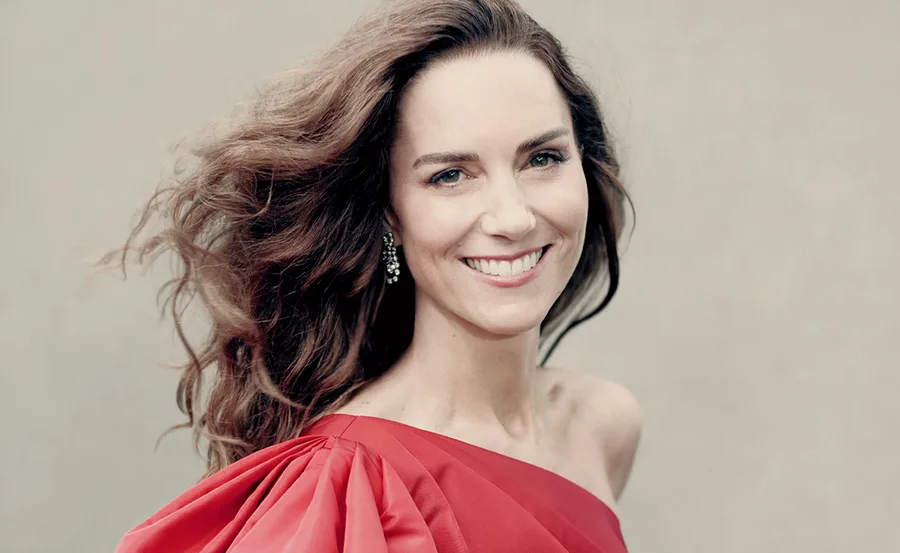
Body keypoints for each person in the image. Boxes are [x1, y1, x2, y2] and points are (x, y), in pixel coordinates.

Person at [111, 0, 642, 551]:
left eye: (542, 159)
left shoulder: (603, 425)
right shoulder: (342, 488)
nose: (512, 217)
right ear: (389, 211)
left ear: (585, 162)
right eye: (451, 175)